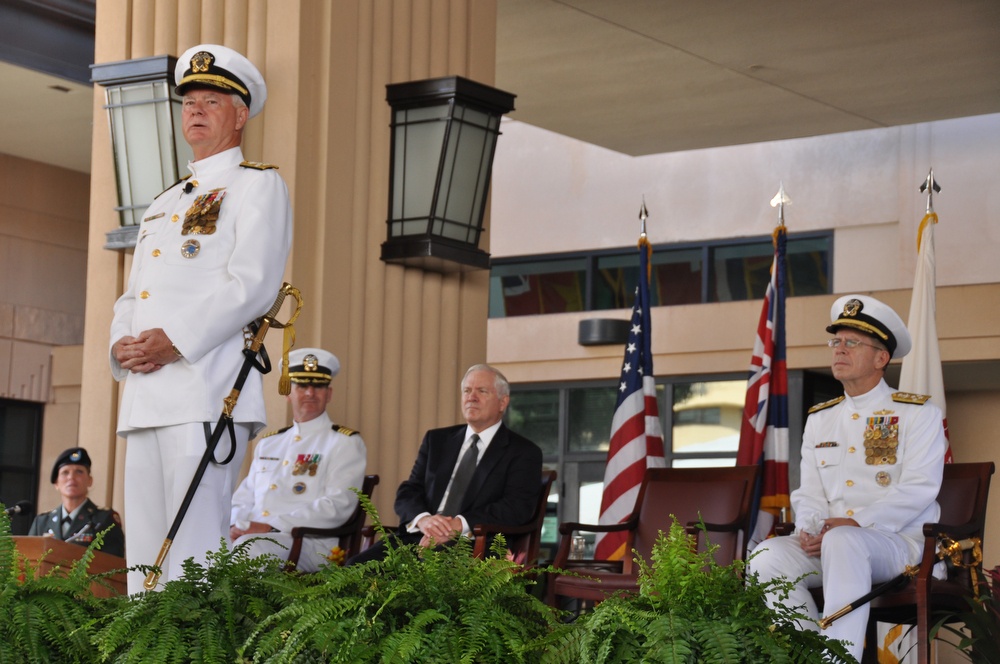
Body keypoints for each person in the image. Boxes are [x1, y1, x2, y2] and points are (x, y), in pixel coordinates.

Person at [109, 43, 293, 593]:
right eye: (188, 101)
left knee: (191, 554)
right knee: (142, 553)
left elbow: (253, 286)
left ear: (239, 116)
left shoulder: (257, 186)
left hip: (203, 392)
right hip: (143, 395)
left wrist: (177, 341)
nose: (194, 110)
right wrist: (120, 344)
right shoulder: (163, 203)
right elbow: (132, 296)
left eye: (211, 100)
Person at [747, 294, 947, 661]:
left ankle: (840, 659)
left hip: (899, 544)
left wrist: (853, 523)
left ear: (881, 358)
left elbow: (919, 489)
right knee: (765, 557)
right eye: (835, 341)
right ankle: (813, 655)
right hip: (831, 542)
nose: (839, 350)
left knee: (844, 541)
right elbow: (809, 489)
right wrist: (809, 526)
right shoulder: (820, 419)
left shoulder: (919, 414)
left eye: (852, 342)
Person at [348, 364, 542, 564]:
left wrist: (458, 525)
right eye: (467, 390)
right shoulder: (437, 440)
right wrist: (424, 520)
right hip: (420, 537)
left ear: (503, 402)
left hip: (475, 545)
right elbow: (409, 491)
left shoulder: (523, 452)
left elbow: (516, 507)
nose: (471, 397)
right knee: (355, 569)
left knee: (427, 574)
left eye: (482, 391)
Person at [230, 348, 367, 571]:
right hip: (259, 537)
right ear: (288, 393)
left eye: (318, 386)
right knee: (210, 545)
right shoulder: (269, 443)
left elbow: (338, 505)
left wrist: (271, 527)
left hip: (311, 542)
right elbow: (243, 498)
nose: (310, 393)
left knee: (250, 548)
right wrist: (237, 525)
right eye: (302, 386)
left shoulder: (344, 442)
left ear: (329, 394)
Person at [28, 447, 125, 558]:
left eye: (79, 472)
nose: (71, 477)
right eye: (65, 472)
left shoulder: (105, 519)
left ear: (90, 480)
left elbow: (113, 566)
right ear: (56, 483)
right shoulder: (41, 522)